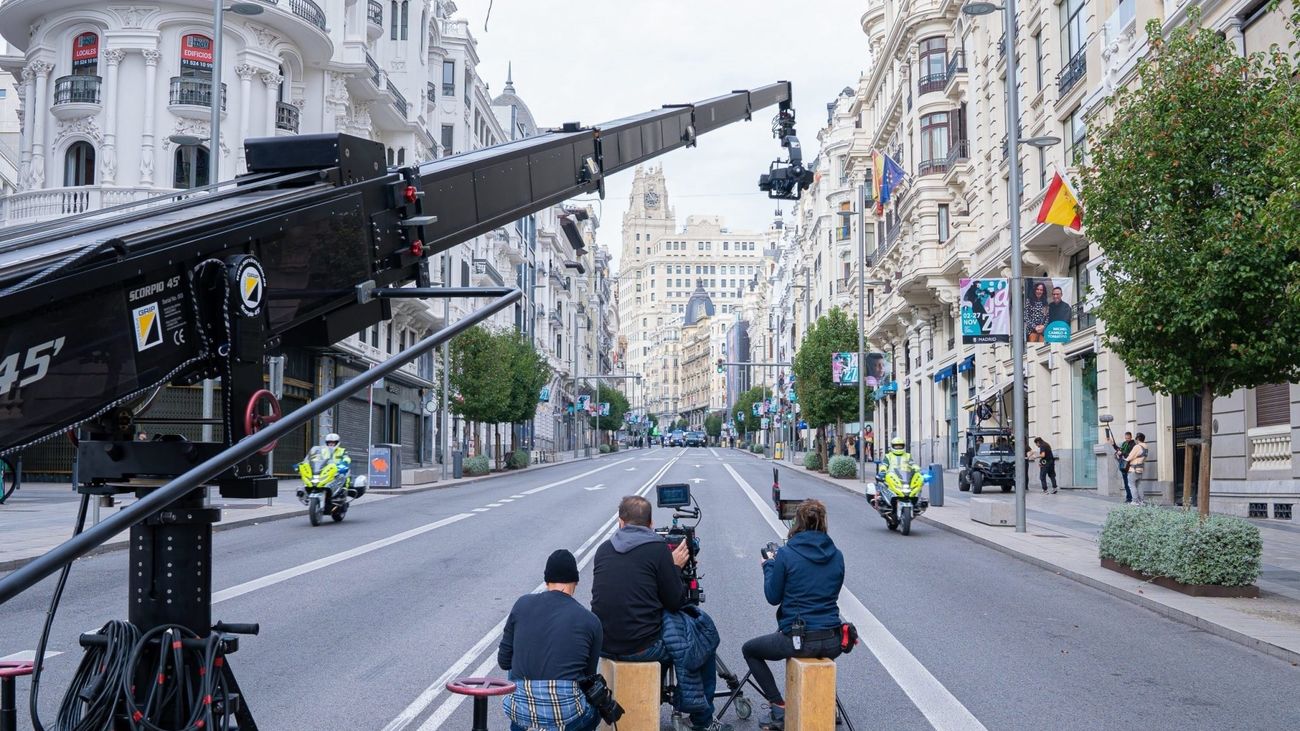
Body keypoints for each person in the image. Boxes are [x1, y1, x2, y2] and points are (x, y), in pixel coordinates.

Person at [591, 496, 720, 731]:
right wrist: (674, 567)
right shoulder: (657, 549)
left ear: (620, 522)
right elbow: (675, 601)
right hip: (641, 648)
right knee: (703, 641)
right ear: (651, 523)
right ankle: (703, 719)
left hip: (604, 644)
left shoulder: (603, 549)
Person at [743, 500, 844, 731]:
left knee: (749, 650)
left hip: (799, 640)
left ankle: (778, 705)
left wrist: (769, 565)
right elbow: (832, 593)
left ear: (797, 523)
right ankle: (827, 706)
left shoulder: (786, 555)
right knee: (819, 656)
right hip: (832, 640)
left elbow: (773, 597)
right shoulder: (837, 555)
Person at [498, 550, 602, 731]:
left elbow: (504, 661)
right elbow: (588, 675)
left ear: (546, 581)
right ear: (576, 581)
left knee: (515, 672)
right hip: (567, 713)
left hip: (521, 710)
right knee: (595, 709)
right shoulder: (590, 621)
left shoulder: (522, 604)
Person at [872, 436, 918, 508]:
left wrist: (916, 468)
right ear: (892, 446)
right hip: (892, 475)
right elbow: (884, 464)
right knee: (880, 485)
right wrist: (883, 471)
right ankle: (877, 501)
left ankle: (917, 501)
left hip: (905, 476)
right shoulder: (888, 456)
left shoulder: (908, 455)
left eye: (900, 446)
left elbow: (912, 464)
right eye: (896, 446)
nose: (898, 448)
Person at [1108, 431, 1136, 502]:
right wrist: (1113, 444)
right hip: (1123, 465)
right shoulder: (1124, 443)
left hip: (1129, 466)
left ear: (1131, 437)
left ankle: (1131, 498)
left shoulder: (1133, 444)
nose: (1127, 439)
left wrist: (1122, 453)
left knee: (1129, 483)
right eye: (1126, 438)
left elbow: (1130, 455)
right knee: (1126, 483)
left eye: (1128, 438)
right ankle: (1128, 498)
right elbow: (1119, 450)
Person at [1126, 433, 1150, 506]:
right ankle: (1141, 501)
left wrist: (1124, 459)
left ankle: (1135, 501)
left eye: (1136, 439)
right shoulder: (1146, 447)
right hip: (1140, 469)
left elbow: (1130, 457)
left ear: (1138, 439)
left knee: (1131, 485)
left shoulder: (1137, 446)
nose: (1135, 440)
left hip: (1133, 469)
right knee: (1139, 485)